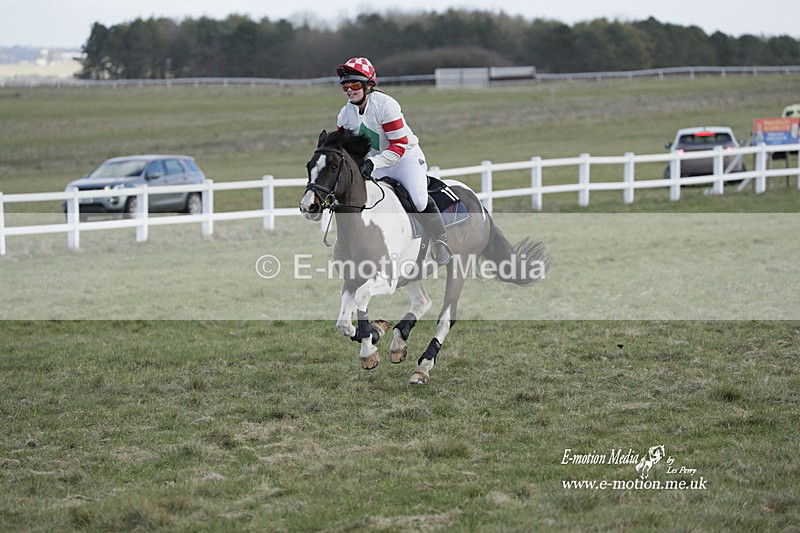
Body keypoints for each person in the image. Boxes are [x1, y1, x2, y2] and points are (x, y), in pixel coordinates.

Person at [335, 57, 452, 266]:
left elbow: (398, 146)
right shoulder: (345, 114)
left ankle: (441, 241)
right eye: (345, 86)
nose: (349, 90)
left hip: (406, 158)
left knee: (418, 200)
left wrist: (372, 164)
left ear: (368, 85)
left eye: (354, 84)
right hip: (378, 161)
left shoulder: (386, 105)